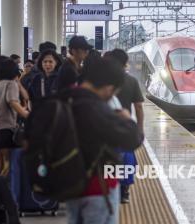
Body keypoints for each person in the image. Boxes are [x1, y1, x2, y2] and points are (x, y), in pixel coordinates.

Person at [63, 57, 142, 224]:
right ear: (108, 87)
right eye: (113, 91)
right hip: (98, 188)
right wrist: (127, 120)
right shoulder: (97, 108)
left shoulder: (64, 98)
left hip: (70, 186)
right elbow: (132, 140)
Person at [105, 49, 145, 204]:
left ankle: (109, 187)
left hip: (105, 127)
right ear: (125, 63)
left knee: (107, 158)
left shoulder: (102, 81)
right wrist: (140, 129)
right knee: (127, 157)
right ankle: (124, 191)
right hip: (125, 128)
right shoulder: (132, 81)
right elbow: (139, 107)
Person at [0, 59, 29, 176]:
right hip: (7, 130)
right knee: (10, 165)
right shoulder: (11, 84)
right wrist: (28, 115)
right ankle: (7, 191)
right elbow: (13, 102)